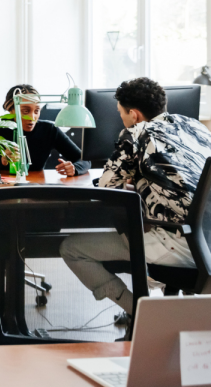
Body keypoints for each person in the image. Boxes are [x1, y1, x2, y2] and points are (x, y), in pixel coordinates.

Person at [61, 77, 211, 315]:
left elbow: (107, 187)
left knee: (71, 248)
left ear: (134, 114)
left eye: (121, 113)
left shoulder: (136, 134)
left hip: (178, 243)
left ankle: (144, 315)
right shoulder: (196, 127)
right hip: (207, 242)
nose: (121, 119)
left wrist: (125, 180)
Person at [0, 84, 90, 176]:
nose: (32, 117)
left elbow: (84, 160)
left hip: (37, 187)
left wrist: (74, 168)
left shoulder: (49, 130)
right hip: (1, 188)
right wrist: (1, 161)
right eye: (25, 111)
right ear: (11, 110)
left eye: (36, 111)